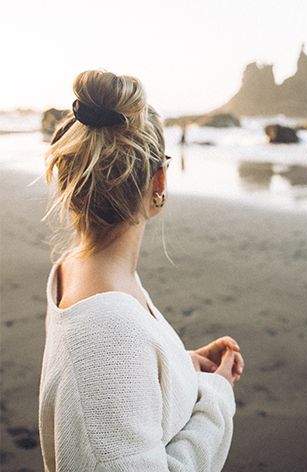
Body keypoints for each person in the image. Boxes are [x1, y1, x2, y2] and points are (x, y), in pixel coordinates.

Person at [38, 69, 245, 471]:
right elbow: (105, 363)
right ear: (160, 180)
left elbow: (116, 390)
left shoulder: (80, 269)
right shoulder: (107, 327)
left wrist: (181, 366)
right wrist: (216, 397)